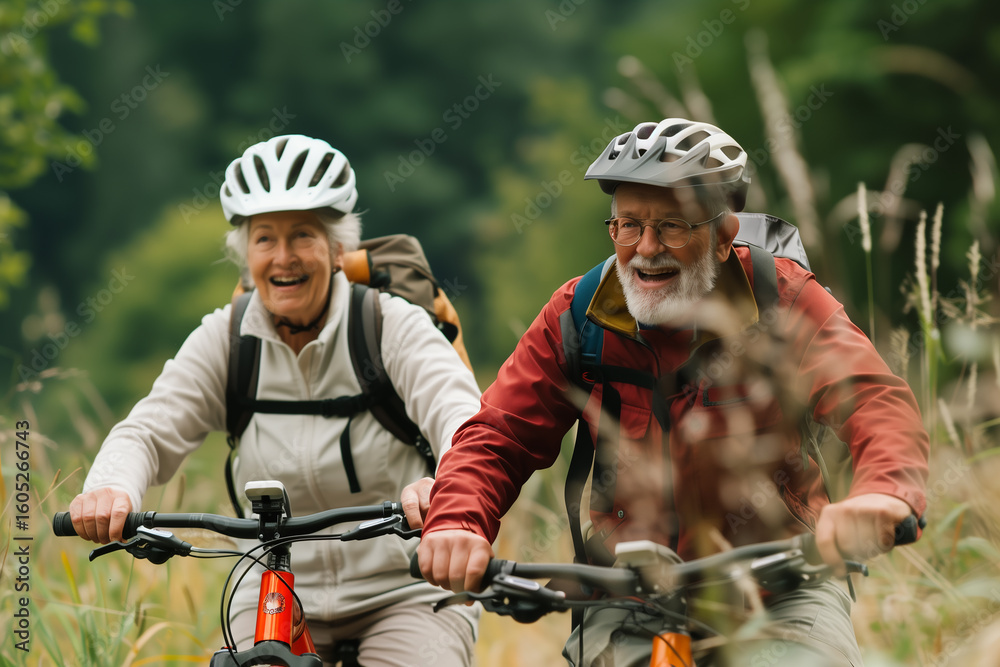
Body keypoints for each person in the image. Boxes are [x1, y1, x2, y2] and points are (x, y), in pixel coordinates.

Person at [417, 119, 929, 666]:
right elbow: (500, 433)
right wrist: (457, 520)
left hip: (781, 586)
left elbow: (874, 401)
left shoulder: (784, 301)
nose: (646, 249)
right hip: (630, 591)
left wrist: (885, 492)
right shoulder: (577, 314)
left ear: (725, 234)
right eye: (628, 225)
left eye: (673, 226)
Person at [69, 134, 481, 667]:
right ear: (245, 255)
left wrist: (448, 488)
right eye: (264, 239)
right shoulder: (227, 339)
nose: (283, 258)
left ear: (337, 248)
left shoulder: (388, 324)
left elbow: (461, 416)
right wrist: (110, 489)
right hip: (271, 582)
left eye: (303, 235)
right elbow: (147, 431)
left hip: (405, 588)